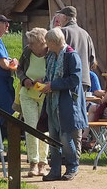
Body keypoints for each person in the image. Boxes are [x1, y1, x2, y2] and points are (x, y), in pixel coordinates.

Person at [40, 28, 88, 181]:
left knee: (66, 137)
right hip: (53, 103)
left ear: (54, 42)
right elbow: (50, 75)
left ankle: (72, 167)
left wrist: (53, 85)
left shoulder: (71, 56)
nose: (47, 45)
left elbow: (75, 79)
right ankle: (55, 171)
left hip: (66, 103)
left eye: (48, 42)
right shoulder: (51, 57)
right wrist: (44, 83)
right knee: (53, 137)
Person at [16, 27, 49, 177]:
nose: (29, 45)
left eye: (32, 43)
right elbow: (19, 70)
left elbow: (56, 71)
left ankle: (43, 163)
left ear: (41, 43)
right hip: (27, 94)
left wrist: (45, 81)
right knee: (31, 127)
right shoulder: (27, 52)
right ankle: (33, 163)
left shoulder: (51, 54)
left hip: (44, 94)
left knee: (44, 129)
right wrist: (25, 80)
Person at [54, 6, 96, 91]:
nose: (58, 20)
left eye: (60, 17)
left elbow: (55, 55)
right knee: (80, 104)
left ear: (65, 18)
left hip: (67, 81)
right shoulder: (86, 34)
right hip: (84, 80)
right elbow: (92, 60)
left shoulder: (63, 32)